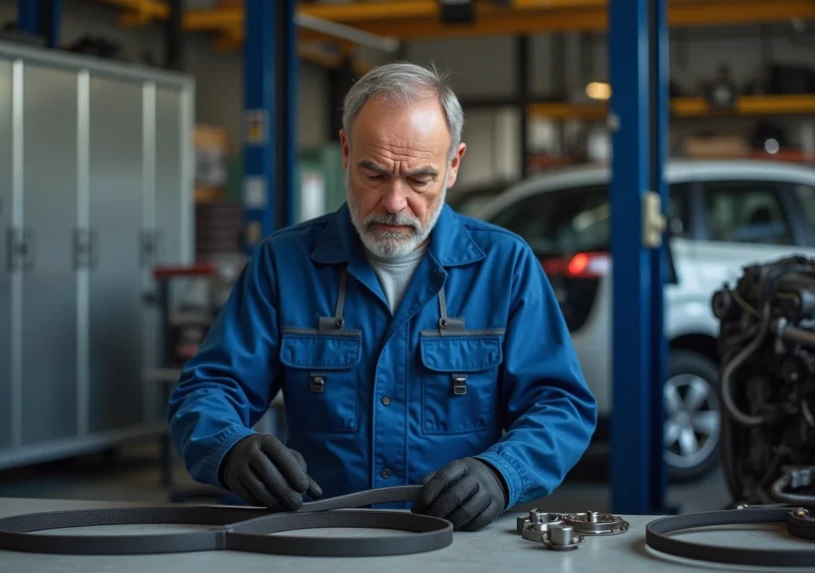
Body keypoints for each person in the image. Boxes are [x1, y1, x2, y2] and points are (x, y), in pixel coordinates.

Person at [168, 61, 597, 531]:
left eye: (419, 179)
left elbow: (560, 405)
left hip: (457, 548)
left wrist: (503, 473)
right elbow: (209, 388)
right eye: (374, 175)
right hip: (323, 539)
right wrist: (228, 448)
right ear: (347, 151)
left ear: (453, 166)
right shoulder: (284, 264)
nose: (394, 202)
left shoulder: (505, 267)